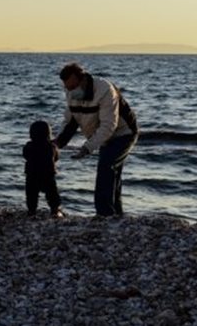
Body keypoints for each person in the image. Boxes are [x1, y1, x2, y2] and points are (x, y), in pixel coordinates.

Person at [53, 62, 139, 217]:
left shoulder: (105, 90)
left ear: (83, 80)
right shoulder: (71, 93)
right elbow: (71, 122)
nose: (70, 91)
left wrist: (87, 147)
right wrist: (57, 143)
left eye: (72, 87)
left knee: (106, 168)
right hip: (103, 136)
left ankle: (104, 215)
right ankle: (117, 216)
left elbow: (109, 125)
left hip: (124, 133)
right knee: (112, 174)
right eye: (67, 87)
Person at [23, 120, 62, 218]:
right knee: (52, 194)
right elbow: (56, 157)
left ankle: (31, 211)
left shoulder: (29, 146)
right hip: (48, 175)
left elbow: (25, 155)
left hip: (32, 174)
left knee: (31, 194)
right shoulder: (51, 147)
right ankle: (55, 210)